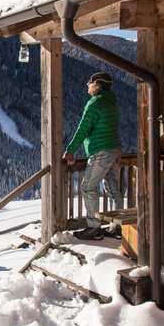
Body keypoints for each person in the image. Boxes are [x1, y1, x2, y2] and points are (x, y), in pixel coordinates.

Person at [63, 72, 121, 240]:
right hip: (114, 149)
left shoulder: (95, 103)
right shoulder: (112, 102)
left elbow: (83, 129)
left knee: (88, 187)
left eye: (89, 82)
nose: (87, 85)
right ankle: (117, 227)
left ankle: (93, 228)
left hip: (100, 150)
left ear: (97, 84)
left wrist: (70, 150)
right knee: (112, 188)